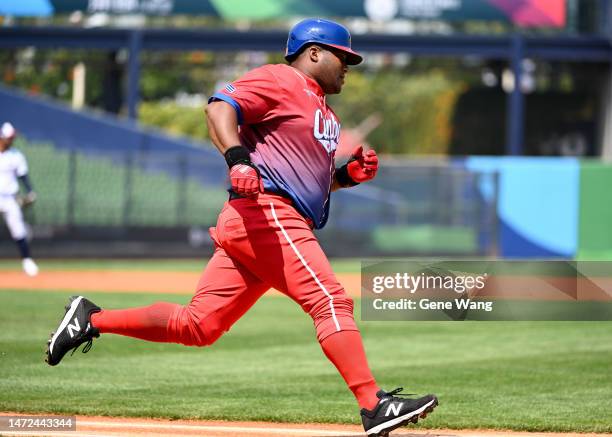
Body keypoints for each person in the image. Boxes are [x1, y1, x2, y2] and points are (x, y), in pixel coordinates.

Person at [45, 18, 437, 436]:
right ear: (315, 52)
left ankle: (92, 319)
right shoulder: (278, 79)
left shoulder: (325, 112)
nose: (348, 66)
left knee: (198, 326)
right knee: (331, 302)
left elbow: (304, 179)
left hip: (260, 222)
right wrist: (237, 158)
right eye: (343, 56)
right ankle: (373, 404)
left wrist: (346, 176)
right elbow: (219, 107)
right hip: (266, 215)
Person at [0, 122, 39, 277]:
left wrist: (30, 191)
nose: (11, 140)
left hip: (9, 198)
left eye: (12, 137)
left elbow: (23, 176)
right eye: (9, 137)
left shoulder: (16, 155)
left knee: (19, 230)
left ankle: (27, 261)